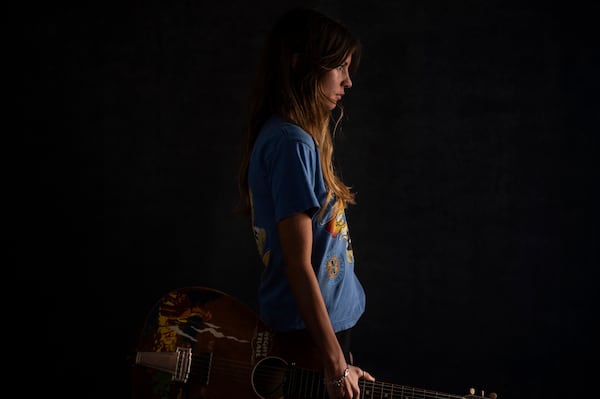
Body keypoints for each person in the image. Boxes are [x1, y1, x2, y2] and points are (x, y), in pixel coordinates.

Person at [237, 7, 375, 399]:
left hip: (324, 331)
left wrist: (338, 356)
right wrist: (334, 363)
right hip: (309, 333)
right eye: (339, 68)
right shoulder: (290, 142)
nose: (348, 81)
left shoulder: (295, 136)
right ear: (301, 65)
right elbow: (297, 265)